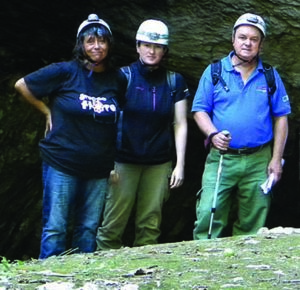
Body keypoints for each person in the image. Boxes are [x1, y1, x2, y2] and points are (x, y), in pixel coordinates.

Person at [14, 14, 127, 258]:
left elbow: (120, 115)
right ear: (81, 45)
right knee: (56, 226)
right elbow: (22, 85)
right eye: (90, 42)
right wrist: (46, 111)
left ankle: (80, 278)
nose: (96, 47)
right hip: (62, 162)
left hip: (98, 167)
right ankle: (48, 277)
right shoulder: (65, 72)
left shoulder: (116, 79)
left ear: (109, 44)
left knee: (87, 228)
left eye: (102, 41)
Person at [192, 13, 291, 239]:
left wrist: (276, 159)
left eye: (254, 39)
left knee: (253, 219)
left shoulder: (270, 76)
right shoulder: (215, 72)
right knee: (209, 212)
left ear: (261, 45)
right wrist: (212, 134)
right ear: (233, 40)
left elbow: (282, 118)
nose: (248, 43)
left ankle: (244, 269)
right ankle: (204, 261)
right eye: (243, 37)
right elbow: (199, 111)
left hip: (258, 159)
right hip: (222, 157)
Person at [96, 19, 189, 249]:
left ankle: (145, 277)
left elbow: (180, 123)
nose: (151, 50)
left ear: (164, 51)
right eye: (147, 45)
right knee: (112, 223)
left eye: (157, 46)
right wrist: (106, 161)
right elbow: (106, 120)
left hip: (158, 163)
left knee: (150, 223)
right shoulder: (122, 77)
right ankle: (102, 273)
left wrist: (180, 165)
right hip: (124, 160)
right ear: (137, 46)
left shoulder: (174, 81)